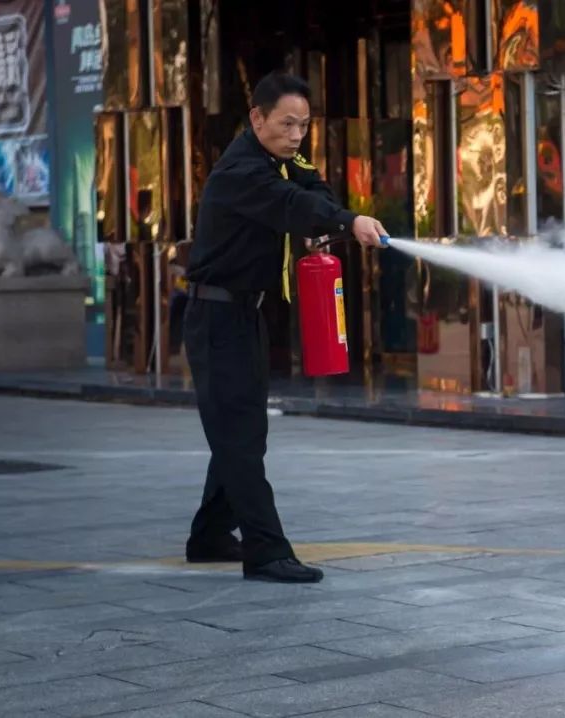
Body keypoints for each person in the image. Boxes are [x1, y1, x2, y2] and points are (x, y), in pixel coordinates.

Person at [183, 72, 386, 583]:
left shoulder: (280, 161)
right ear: (257, 118)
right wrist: (346, 222)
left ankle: (209, 536)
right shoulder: (241, 171)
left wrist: (329, 218)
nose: (297, 135)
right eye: (286, 124)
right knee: (240, 435)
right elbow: (292, 203)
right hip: (216, 316)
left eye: (304, 125)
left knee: (243, 431)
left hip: (245, 314)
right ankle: (267, 551)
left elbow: (310, 185)